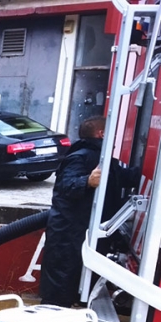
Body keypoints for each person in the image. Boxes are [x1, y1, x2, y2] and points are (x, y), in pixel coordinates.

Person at [40, 115, 140, 308]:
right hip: (68, 237)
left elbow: (125, 177)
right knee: (59, 289)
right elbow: (65, 186)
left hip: (82, 233)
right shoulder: (81, 156)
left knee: (73, 285)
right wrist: (86, 181)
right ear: (102, 133)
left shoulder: (102, 160)